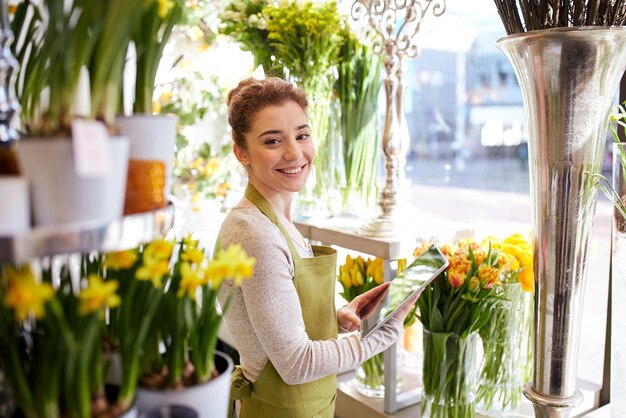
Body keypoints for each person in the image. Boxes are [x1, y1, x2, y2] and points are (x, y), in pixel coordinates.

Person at [217, 77, 417, 418]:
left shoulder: (278, 221)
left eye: (302, 135)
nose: (294, 152)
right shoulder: (255, 235)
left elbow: (279, 317)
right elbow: (296, 363)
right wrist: (379, 338)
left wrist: (336, 317)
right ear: (241, 153)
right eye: (272, 140)